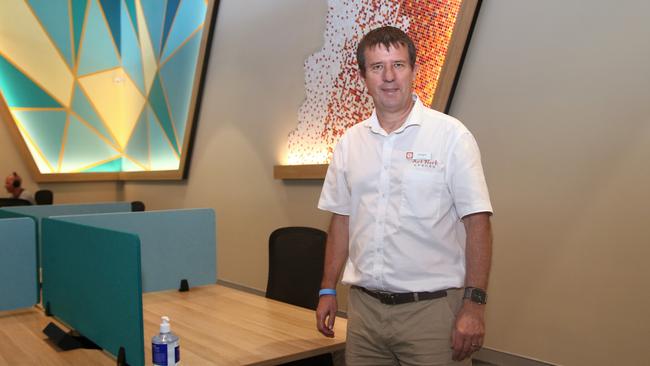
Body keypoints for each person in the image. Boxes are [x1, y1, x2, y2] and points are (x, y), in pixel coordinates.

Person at [315, 26, 493, 365]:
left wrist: (474, 305)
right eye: (377, 67)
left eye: (398, 64)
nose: (389, 77)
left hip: (432, 315)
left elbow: (478, 223)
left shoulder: (451, 136)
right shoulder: (350, 143)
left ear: (413, 70)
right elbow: (341, 221)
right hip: (364, 314)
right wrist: (327, 289)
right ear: (363, 76)